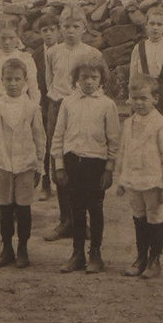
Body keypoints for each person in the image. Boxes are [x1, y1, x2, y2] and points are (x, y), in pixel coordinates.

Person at [51, 60, 120, 274]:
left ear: (101, 80)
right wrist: (59, 166)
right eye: (84, 77)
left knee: (95, 208)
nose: (89, 82)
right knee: (76, 209)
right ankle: (77, 253)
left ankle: (96, 254)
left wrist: (109, 169)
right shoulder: (68, 103)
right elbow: (58, 135)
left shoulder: (107, 105)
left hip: (96, 164)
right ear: (76, 80)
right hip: (73, 162)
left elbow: (114, 140)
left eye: (94, 77)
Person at [42, 6, 105, 240]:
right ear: (60, 28)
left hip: (82, 106)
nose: (70, 31)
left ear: (84, 28)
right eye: (66, 27)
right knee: (57, 158)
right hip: (57, 106)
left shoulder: (91, 53)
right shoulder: (52, 52)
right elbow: (49, 80)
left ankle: (82, 221)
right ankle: (65, 219)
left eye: (75, 27)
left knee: (81, 159)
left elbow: (100, 83)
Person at [0, 56, 46, 269]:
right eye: (8, 79)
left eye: (17, 79)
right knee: (5, 208)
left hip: (26, 164)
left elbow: (39, 138)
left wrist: (39, 165)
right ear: (1, 80)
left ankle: (23, 249)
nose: (13, 83)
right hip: (3, 164)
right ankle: (6, 248)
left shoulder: (32, 107)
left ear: (25, 80)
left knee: (24, 209)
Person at [115, 76, 163, 279]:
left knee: (155, 219)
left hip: (153, 182)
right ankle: (141, 257)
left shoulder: (161, 126)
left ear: (155, 99)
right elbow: (123, 152)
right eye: (134, 99)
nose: (139, 103)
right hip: (134, 180)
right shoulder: (128, 124)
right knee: (138, 218)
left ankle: (155, 259)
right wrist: (121, 180)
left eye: (143, 98)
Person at [128, 4, 163, 136]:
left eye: (159, 24)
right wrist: (132, 99)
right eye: (152, 23)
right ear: (146, 25)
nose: (155, 28)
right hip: (143, 95)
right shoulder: (139, 47)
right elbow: (133, 76)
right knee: (141, 135)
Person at [32, 12, 60, 202]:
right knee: (44, 144)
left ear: (58, 31)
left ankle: (62, 181)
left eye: (52, 30)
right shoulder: (35, 55)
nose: (48, 34)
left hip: (60, 104)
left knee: (60, 143)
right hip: (43, 104)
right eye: (44, 31)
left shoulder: (63, 52)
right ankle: (46, 183)